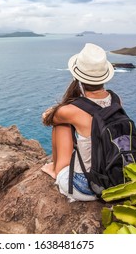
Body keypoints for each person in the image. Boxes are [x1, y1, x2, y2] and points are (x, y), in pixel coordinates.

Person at [41, 43, 115, 202]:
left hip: (85, 187)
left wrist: (61, 109)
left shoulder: (72, 111)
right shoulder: (116, 101)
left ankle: (55, 170)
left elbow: (47, 118)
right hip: (113, 180)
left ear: (79, 77)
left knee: (60, 124)